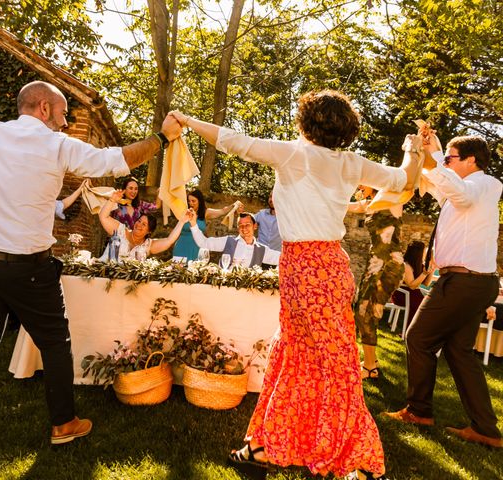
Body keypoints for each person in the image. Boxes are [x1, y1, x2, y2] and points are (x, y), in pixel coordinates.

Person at [170, 89, 418, 480]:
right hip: (328, 266)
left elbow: (235, 141)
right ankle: (265, 445)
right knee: (300, 356)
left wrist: (186, 119)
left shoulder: (295, 153)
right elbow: (405, 179)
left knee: (327, 362)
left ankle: (358, 461)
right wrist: (414, 149)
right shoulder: (350, 163)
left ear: (308, 122)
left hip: (306, 267)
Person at [0, 78, 182, 473]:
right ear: (42, 109)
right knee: (54, 342)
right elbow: (119, 160)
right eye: (63, 113)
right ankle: (63, 424)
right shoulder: (56, 145)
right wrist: (163, 136)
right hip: (28, 270)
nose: (66, 122)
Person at [384, 134, 502, 449]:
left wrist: (435, 158)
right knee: (459, 350)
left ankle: (419, 411)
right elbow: (435, 182)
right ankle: (486, 430)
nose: (445, 163)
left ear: (471, 160)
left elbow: (459, 193)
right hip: (470, 281)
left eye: (450, 157)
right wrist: (419, 152)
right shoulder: (457, 191)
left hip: (465, 282)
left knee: (418, 337)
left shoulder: (486, 185)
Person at [349, 186, 405, 380]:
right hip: (374, 263)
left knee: (366, 311)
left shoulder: (393, 197)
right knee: (360, 309)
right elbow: (346, 206)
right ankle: (370, 362)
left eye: (360, 183)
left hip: (389, 263)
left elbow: (407, 183)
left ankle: (370, 367)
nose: (358, 188)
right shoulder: (370, 202)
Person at [99, 190, 192, 260]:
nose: (139, 225)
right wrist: (112, 200)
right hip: (104, 277)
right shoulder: (120, 230)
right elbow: (104, 217)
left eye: (144, 224)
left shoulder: (148, 245)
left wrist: (182, 221)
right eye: (139, 221)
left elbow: (169, 240)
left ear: (149, 231)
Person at [172, 189, 242, 261]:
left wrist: (234, 205)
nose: (190, 203)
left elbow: (222, 211)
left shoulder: (206, 212)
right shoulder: (184, 212)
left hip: (197, 247)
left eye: (193, 201)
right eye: (189, 201)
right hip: (181, 246)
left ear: (200, 201)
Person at [189, 211, 280, 267]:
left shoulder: (262, 250)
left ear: (255, 226)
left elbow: (281, 259)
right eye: (241, 225)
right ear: (237, 228)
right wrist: (193, 223)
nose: (244, 228)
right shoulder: (228, 241)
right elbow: (203, 243)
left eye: (247, 225)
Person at [390, 241, 435, 328]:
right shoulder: (406, 265)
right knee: (423, 304)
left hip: (413, 294)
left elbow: (426, 284)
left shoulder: (419, 265)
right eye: (424, 252)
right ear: (418, 253)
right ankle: (411, 329)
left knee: (428, 304)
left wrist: (431, 270)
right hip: (402, 294)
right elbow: (412, 285)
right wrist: (424, 274)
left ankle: (419, 330)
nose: (425, 254)